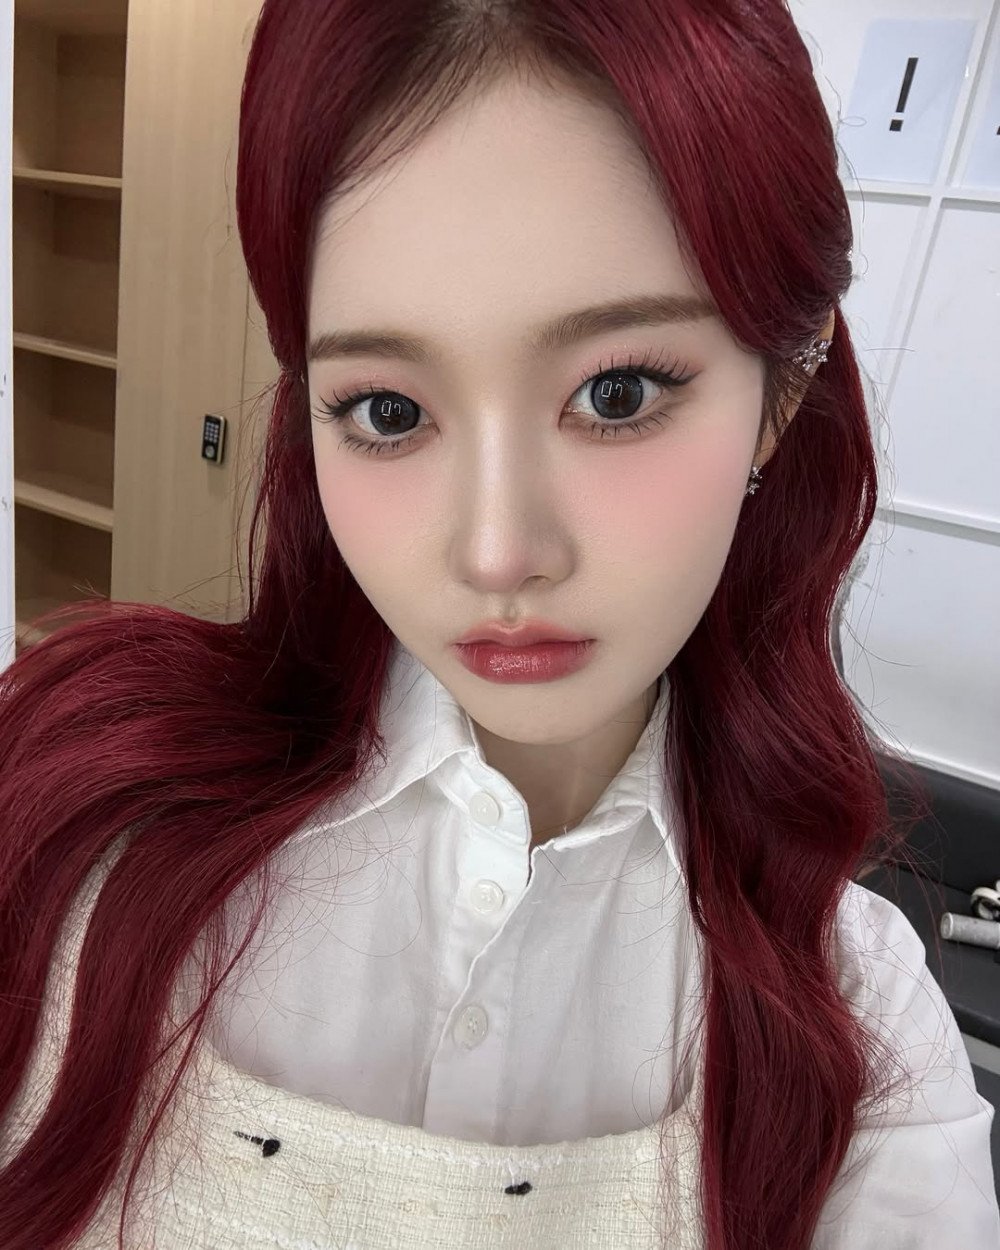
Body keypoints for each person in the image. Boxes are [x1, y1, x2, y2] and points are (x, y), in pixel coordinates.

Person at [1, 1, 997, 1247]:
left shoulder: (861, 1035)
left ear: (782, 392)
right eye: (386, 410)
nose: (494, 550)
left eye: (615, 392)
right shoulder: (69, 826)